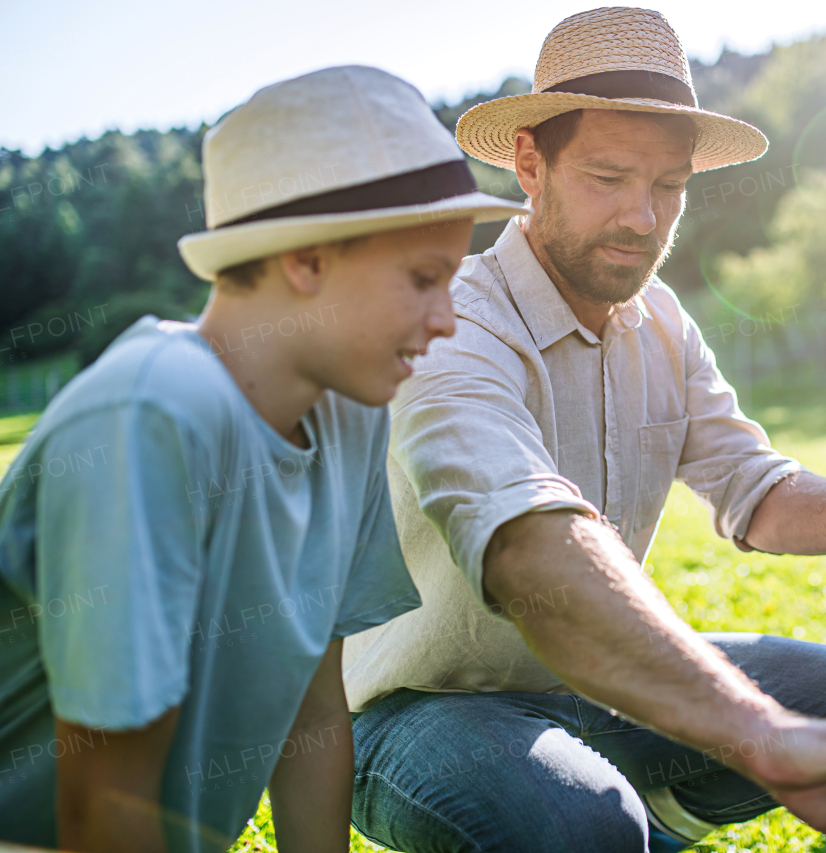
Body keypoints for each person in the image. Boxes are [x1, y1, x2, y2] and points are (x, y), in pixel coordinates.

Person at [342, 9, 826, 853]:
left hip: (591, 685)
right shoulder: (454, 324)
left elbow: (757, 492)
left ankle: (658, 829)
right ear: (529, 165)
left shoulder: (659, 320)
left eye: (668, 187)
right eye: (609, 176)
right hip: (419, 708)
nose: (641, 218)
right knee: (583, 823)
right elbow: (522, 544)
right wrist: (762, 735)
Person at [0, 66, 524, 853]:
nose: (447, 319)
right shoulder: (151, 419)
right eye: (423, 280)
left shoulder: (351, 411)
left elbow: (314, 715)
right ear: (306, 259)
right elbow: (106, 808)